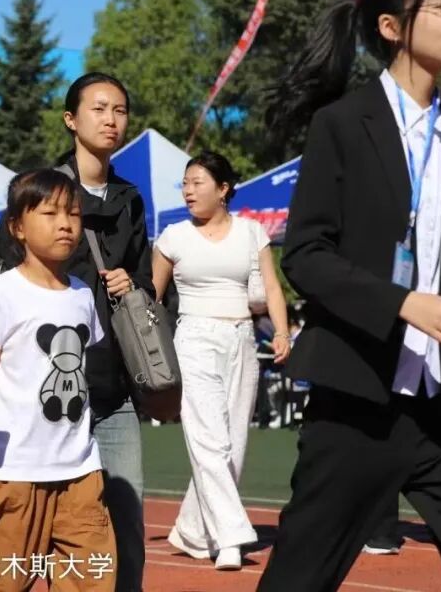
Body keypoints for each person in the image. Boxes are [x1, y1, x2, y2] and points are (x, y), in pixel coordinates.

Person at [257, 0, 441, 591]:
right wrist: (402, 304)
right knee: (298, 579)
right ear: (391, 26)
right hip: (356, 401)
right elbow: (306, 255)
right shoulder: (342, 125)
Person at [0, 72, 152, 592]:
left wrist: (135, 282)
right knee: (18, 539)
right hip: (43, 397)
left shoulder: (130, 198)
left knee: (125, 527)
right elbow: (8, 269)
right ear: (70, 119)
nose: (111, 119)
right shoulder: (38, 191)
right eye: (99, 109)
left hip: (112, 387)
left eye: (120, 110)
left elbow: (147, 276)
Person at [0, 169, 116, 592]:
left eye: (73, 213)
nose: (65, 224)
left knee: (92, 582)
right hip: (16, 472)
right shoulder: (1, 291)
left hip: (81, 471)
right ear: (17, 227)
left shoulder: (82, 294)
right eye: (49, 213)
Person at [152, 151, 290, 571]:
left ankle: (193, 530)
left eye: (197, 182)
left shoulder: (251, 232)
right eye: (185, 183)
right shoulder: (173, 236)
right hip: (193, 339)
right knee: (210, 441)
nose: (188, 191)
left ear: (223, 188)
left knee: (234, 443)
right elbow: (153, 298)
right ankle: (232, 536)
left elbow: (272, 286)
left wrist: (282, 332)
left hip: (242, 339)